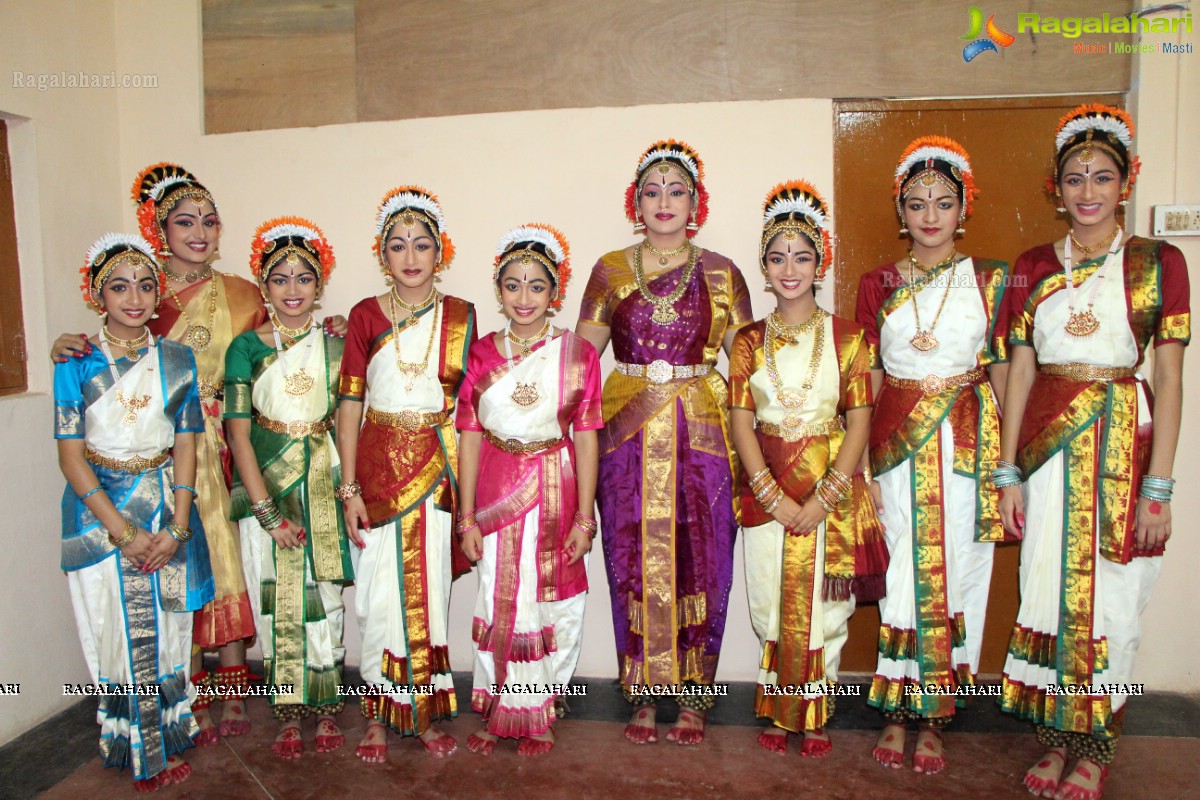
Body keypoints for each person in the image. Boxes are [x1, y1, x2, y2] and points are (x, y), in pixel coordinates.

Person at [997, 104, 1188, 800]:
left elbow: (1168, 377)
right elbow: (1019, 371)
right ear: (1055, 186)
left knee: (1114, 599)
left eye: (1102, 177)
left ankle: (1096, 745)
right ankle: (1054, 738)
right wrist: (1008, 470)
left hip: (1123, 445)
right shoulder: (1030, 266)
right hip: (1048, 450)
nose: (1087, 191)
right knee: (1046, 589)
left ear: (1127, 181)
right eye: (1074, 178)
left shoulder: (1160, 262)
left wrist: (1158, 485)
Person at [577, 139, 753, 745]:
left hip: (701, 437)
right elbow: (578, 362)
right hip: (625, 440)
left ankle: (697, 695)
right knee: (630, 559)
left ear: (697, 202)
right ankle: (644, 694)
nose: (664, 201)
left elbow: (753, 366)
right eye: (652, 190)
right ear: (635, 201)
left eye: (677, 190)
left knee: (704, 558)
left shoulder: (723, 273)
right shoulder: (610, 269)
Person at [856, 136, 1011, 773]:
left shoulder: (991, 279)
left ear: (962, 209)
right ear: (901, 209)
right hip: (896, 439)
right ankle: (897, 710)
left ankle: (938, 714)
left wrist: (1012, 467)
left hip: (970, 440)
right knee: (903, 570)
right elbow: (863, 378)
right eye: (917, 203)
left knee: (962, 568)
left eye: (943, 203)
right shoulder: (878, 283)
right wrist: (860, 464)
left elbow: (1004, 372)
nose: (929, 215)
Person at [730, 182, 887, 757]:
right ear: (764, 268)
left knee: (826, 606)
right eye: (777, 257)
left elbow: (860, 421)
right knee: (769, 599)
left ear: (820, 262)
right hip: (766, 487)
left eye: (801, 256)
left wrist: (826, 496)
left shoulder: (849, 338)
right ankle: (779, 709)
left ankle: (814, 712)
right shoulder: (747, 341)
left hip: (830, 488)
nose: (789, 268)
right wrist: (771, 495)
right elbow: (742, 421)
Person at [55, 233, 213, 791]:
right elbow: (71, 456)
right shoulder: (76, 361)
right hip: (101, 515)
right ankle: (140, 744)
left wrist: (178, 523)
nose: (135, 297)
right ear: (98, 294)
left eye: (147, 285)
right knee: (117, 632)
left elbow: (188, 442)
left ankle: (166, 729)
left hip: (165, 504)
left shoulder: (176, 358)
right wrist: (123, 532)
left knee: (169, 629)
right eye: (120, 287)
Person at [336, 186, 476, 761]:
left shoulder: (462, 314)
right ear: (382, 254)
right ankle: (376, 711)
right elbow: (349, 405)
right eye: (398, 246)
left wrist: (468, 498)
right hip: (375, 471)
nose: (411, 257)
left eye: (422, 245)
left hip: (438, 469)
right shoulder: (365, 315)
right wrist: (348, 488)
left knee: (427, 590)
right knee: (375, 595)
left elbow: (468, 412)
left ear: (439, 251)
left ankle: (420, 711)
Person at [457, 224, 603, 757]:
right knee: (499, 593)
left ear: (554, 292)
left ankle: (539, 709)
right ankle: (500, 706)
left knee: (551, 599)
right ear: (499, 289)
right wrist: (466, 517)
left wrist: (585, 519)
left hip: (556, 488)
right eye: (513, 285)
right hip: (497, 489)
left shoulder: (577, 354)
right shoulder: (481, 355)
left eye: (536, 286)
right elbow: (469, 438)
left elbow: (587, 438)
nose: (524, 297)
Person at [225, 218, 353, 759]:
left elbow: (348, 420)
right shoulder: (244, 348)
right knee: (279, 600)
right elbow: (236, 433)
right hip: (268, 486)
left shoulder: (336, 345)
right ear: (264, 285)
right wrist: (267, 513)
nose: (293, 289)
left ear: (319, 285)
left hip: (322, 479)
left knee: (324, 598)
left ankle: (326, 706)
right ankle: (288, 709)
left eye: (305, 277)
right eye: (280, 278)